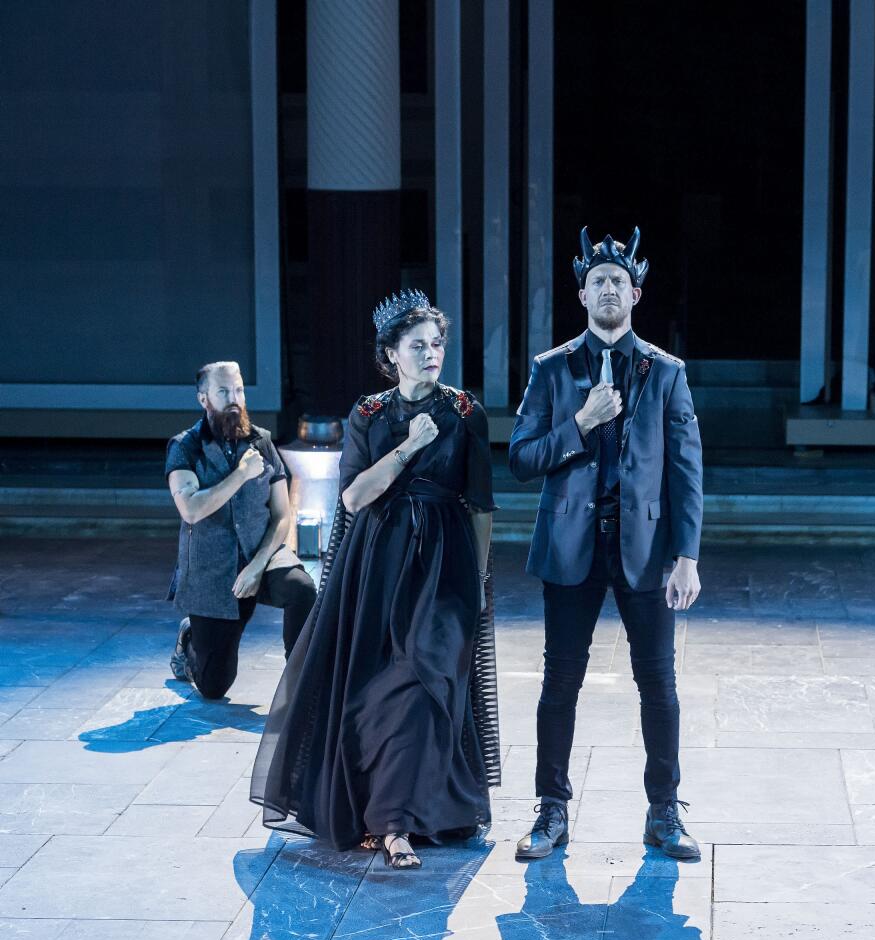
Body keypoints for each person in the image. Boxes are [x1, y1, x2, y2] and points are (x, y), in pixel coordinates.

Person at [250, 290, 500, 871]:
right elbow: (355, 495)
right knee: (377, 688)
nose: (432, 354)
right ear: (392, 354)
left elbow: (481, 504)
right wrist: (409, 446)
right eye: (419, 346)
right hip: (378, 560)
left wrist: (480, 577)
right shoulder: (367, 414)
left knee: (426, 680)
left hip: (444, 562)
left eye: (438, 344)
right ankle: (389, 816)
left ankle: (399, 825)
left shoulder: (466, 412)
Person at [509, 227, 704, 861]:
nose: (609, 289)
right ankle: (551, 810)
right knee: (559, 682)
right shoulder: (551, 369)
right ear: (582, 295)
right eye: (598, 281)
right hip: (572, 547)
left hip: (645, 550)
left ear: (636, 293)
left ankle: (664, 811)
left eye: (619, 281)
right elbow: (520, 457)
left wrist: (688, 555)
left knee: (659, 684)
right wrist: (581, 423)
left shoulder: (667, 373)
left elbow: (686, 469)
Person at [166, 361, 315, 700]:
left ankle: (301, 685)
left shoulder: (261, 442)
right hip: (214, 572)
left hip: (261, 558)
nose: (234, 399)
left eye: (238, 390)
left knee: (302, 589)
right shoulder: (184, 447)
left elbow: (280, 515)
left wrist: (258, 565)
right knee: (214, 687)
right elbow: (190, 510)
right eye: (223, 391)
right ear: (204, 399)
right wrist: (240, 475)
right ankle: (190, 641)